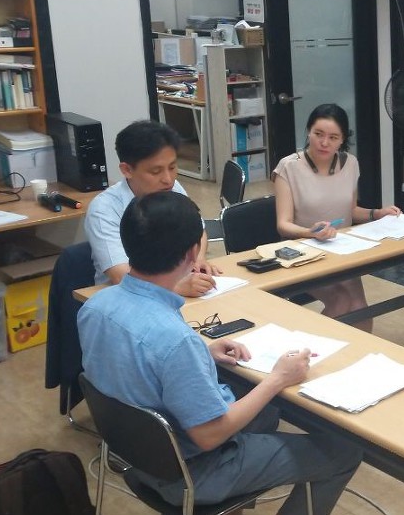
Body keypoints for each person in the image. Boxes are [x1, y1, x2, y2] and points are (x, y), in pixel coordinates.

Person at [78, 191, 361, 515]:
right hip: (190, 475)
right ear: (192, 253)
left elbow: (133, 361)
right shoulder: (175, 341)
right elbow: (210, 436)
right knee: (344, 452)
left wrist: (203, 353)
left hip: (134, 455)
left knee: (265, 412)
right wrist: (277, 379)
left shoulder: (96, 306)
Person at [273, 104, 400, 330]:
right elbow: (283, 225)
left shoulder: (350, 163)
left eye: (333, 137)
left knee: (360, 308)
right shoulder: (288, 167)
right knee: (341, 302)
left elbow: (351, 211)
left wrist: (377, 213)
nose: (324, 143)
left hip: (340, 250)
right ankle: (307, 348)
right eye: (318, 134)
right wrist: (310, 233)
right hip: (303, 252)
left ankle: (359, 352)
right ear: (308, 132)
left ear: (342, 140)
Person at [84, 119, 220, 297]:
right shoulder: (104, 209)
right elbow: (120, 274)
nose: (168, 179)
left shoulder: (172, 188)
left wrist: (197, 259)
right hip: (128, 299)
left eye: (172, 167)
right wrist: (175, 288)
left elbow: (197, 231)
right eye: (156, 171)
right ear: (127, 170)